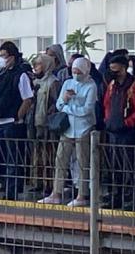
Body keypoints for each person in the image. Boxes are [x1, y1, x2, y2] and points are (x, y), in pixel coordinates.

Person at [39, 57, 98, 207]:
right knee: (60, 160)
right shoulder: (68, 83)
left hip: (84, 128)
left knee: (82, 162)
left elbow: (86, 110)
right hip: (67, 128)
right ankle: (56, 192)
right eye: (74, 72)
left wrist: (68, 108)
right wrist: (65, 99)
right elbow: (59, 104)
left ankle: (82, 194)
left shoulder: (91, 86)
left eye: (79, 72)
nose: (76, 75)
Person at [0, 42, 33, 200]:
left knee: (12, 160)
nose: (2, 59)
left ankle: (11, 192)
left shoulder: (20, 75)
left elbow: (27, 99)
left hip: (10, 122)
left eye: (4, 56)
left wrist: (18, 117)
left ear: (12, 57)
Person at [101, 54, 135, 210]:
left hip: (128, 132)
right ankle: (116, 196)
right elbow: (106, 104)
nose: (112, 70)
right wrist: (109, 121)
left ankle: (134, 199)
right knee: (114, 167)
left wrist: (126, 123)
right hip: (113, 131)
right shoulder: (112, 85)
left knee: (131, 167)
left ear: (123, 67)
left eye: (115, 67)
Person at [29, 53, 62, 199]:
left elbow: (56, 102)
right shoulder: (35, 82)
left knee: (49, 153)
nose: (36, 67)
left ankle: (49, 184)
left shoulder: (53, 82)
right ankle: (38, 181)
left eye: (38, 64)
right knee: (37, 153)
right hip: (34, 122)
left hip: (47, 123)